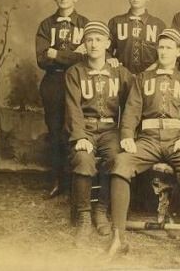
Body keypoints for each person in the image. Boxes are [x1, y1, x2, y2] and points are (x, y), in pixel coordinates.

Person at [107, 28, 180, 256]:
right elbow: (131, 112)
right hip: (147, 140)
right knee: (121, 164)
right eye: (161, 47)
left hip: (176, 140)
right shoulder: (142, 79)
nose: (164, 51)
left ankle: (174, 213)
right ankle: (118, 236)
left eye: (169, 47)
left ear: (178, 51)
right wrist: (127, 136)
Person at [65, 21, 133, 246]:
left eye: (98, 40)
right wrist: (80, 136)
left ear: (107, 43)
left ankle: (101, 210)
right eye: (89, 40)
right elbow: (72, 107)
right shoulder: (75, 72)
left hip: (110, 130)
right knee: (83, 158)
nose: (94, 44)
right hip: (84, 128)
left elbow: (134, 102)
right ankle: (84, 215)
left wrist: (125, 134)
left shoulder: (119, 71)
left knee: (116, 158)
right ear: (84, 44)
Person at [35, 0, 89, 199]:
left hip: (79, 81)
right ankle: (59, 179)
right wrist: (74, 55)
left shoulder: (85, 24)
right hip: (54, 82)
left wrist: (57, 53)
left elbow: (88, 58)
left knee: (77, 129)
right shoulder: (46, 25)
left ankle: (79, 179)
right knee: (56, 131)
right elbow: (42, 59)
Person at [107, 0, 166, 75]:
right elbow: (106, 49)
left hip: (150, 77)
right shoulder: (116, 22)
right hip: (121, 76)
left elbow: (165, 53)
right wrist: (109, 58)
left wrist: (150, 70)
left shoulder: (158, 24)